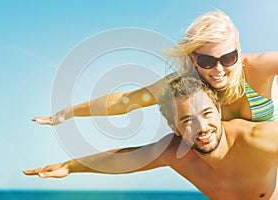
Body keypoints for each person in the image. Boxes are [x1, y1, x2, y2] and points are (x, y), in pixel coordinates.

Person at [24, 76, 278, 200]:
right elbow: (123, 159)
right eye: (187, 121)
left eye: (207, 113)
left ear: (220, 111)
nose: (202, 127)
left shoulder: (259, 139)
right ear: (173, 126)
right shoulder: (175, 152)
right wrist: (70, 167)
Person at [32, 10, 278, 126]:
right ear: (193, 59)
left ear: (238, 50)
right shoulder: (188, 84)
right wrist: (66, 113)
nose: (218, 70)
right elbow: (126, 101)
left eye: (228, 58)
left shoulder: (258, 67)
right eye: (206, 61)